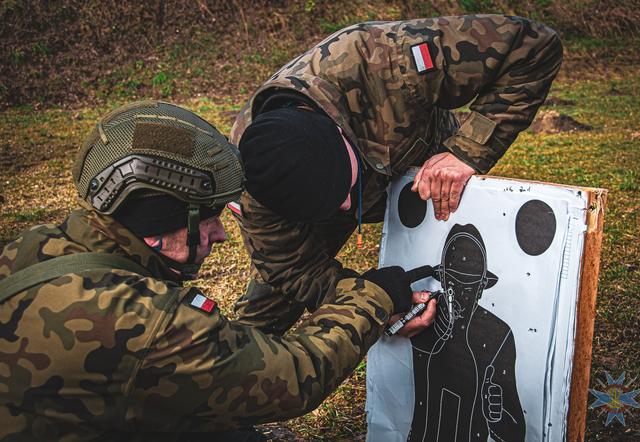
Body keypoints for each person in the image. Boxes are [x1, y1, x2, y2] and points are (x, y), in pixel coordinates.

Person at [0, 101, 432, 440]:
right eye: (207, 218)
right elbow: (293, 376)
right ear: (154, 232)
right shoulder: (143, 323)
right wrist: (373, 296)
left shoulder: (35, 245)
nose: (221, 235)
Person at [229, 14, 563, 337]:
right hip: (317, 194)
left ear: (343, 135)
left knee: (453, 257)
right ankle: (235, 371)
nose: (347, 208)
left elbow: (532, 46)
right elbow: (293, 270)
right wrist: (379, 306)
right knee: (271, 299)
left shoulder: (387, 60)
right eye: (333, 206)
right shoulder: (252, 185)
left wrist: (467, 151)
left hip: (424, 157)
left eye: (343, 191)